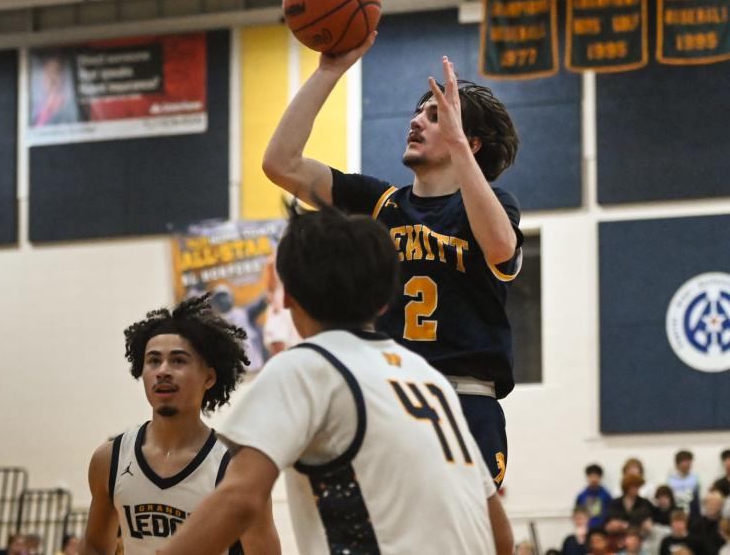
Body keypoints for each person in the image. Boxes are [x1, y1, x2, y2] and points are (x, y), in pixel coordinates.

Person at [160, 205, 514, 555]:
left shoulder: (306, 367)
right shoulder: (428, 379)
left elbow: (240, 498)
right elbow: (501, 538)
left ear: (288, 298)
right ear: (382, 304)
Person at [261, 40, 522, 485]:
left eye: (435, 115)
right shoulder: (379, 203)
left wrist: (457, 145)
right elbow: (281, 163)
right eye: (418, 112)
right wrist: (329, 69)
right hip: (386, 395)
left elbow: (500, 249)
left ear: (470, 142)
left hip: (464, 400)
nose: (417, 121)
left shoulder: (493, 205)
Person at [79, 294, 280, 555]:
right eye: (153, 360)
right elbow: (94, 546)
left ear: (209, 377)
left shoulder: (235, 467)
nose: (163, 370)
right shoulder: (110, 458)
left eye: (178, 360)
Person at [578, 464, 615, 529]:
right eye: (591, 476)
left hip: (603, 530)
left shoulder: (606, 496)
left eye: (596, 476)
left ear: (600, 477)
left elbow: (611, 514)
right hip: (586, 530)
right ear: (587, 477)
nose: (594, 479)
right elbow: (578, 514)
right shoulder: (581, 496)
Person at [668, 451, 701, 519]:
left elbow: (696, 498)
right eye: (684, 461)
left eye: (689, 461)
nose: (687, 464)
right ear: (677, 463)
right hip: (675, 510)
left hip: (692, 511)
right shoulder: (670, 479)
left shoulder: (695, 478)